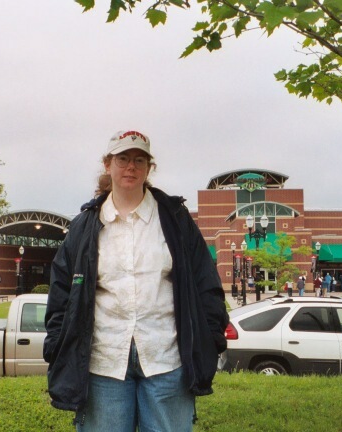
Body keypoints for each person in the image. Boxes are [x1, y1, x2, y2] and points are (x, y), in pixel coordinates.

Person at [44, 130, 229, 431]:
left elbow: (205, 281)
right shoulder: (84, 226)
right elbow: (61, 291)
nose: (131, 167)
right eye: (123, 158)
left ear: (148, 168)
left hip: (166, 361)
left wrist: (210, 337)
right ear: (108, 164)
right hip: (103, 364)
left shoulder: (174, 220)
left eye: (139, 160)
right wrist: (57, 342)